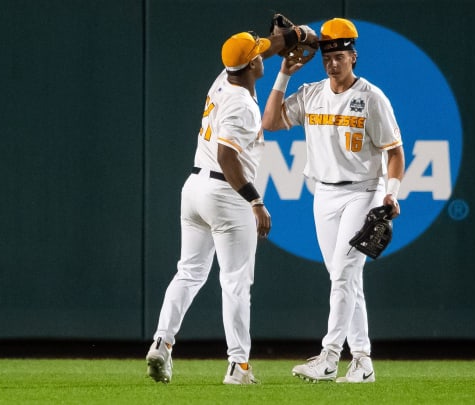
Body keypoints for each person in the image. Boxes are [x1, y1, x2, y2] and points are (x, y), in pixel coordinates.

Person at [262, 18, 405, 384]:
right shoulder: (311, 93)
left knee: (343, 274)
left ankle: (328, 357)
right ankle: (362, 362)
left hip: (363, 191)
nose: (332, 62)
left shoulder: (371, 98)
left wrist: (392, 193)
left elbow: (394, 152)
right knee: (345, 278)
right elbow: (271, 122)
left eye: (339, 55)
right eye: (328, 56)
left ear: (353, 56)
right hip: (323, 193)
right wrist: (283, 74)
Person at [146, 30, 287, 385]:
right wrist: (255, 199)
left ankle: (162, 343)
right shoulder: (241, 104)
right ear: (252, 63)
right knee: (236, 282)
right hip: (226, 193)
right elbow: (227, 157)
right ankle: (238, 366)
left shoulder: (224, 76)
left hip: (194, 188)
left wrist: (294, 36)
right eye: (257, 54)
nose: (261, 55)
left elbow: (263, 49)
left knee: (189, 272)